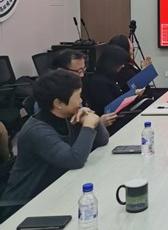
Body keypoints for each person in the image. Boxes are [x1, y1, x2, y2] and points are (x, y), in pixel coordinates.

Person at [0, 70, 108, 218]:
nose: (80, 101)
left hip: (57, 190)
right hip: (24, 206)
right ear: (58, 103)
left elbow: (102, 141)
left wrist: (91, 119)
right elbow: (74, 160)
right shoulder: (37, 131)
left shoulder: (67, 116)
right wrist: (88, 126)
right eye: (77, 97)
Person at [51, 50, 117, 128]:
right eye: (79, 71)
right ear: (61, 70)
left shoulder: (82, 83)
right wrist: (98, 123)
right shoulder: (55, 94)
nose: (82, 75)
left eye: (83, 70)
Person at [83, 45, 143, 117]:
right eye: (120, 64)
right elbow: (110, 106)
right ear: (113, 64)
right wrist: (131, 94)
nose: (122, 66)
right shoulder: (99, 82)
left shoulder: (110, 76)